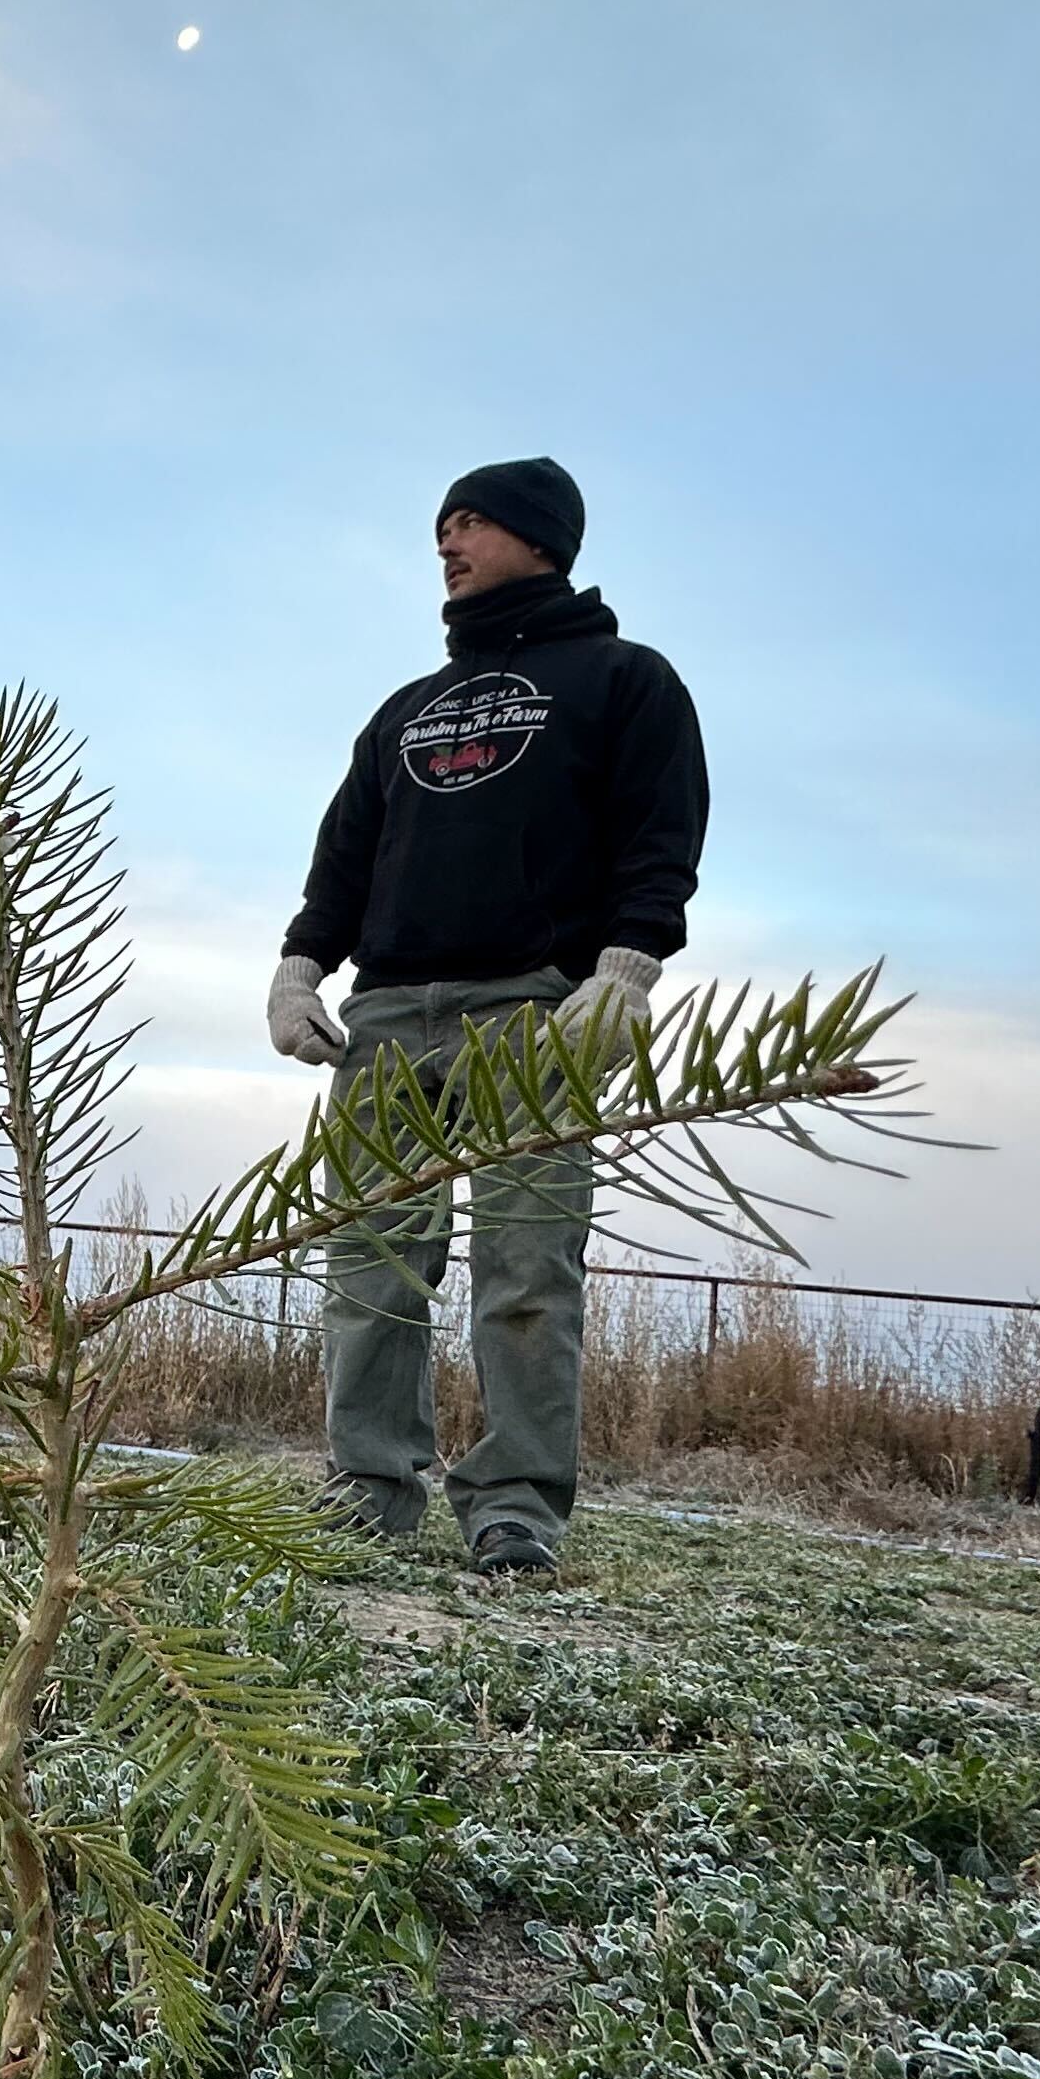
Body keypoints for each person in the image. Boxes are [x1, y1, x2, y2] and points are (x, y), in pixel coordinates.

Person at [267, 458, 709, 1573]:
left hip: (535, 1011)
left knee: (527, 1273)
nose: (447, 543)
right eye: (440, 527)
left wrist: (627, 969)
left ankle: (515, 1503)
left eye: (470, 522)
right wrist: (299, 969)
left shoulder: (625, 679)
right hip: (386, 1017)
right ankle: (366, 1486)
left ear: (540, 537)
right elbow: (345, 858)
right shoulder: (406, 711)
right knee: (369, 1266)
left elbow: (660, 834)